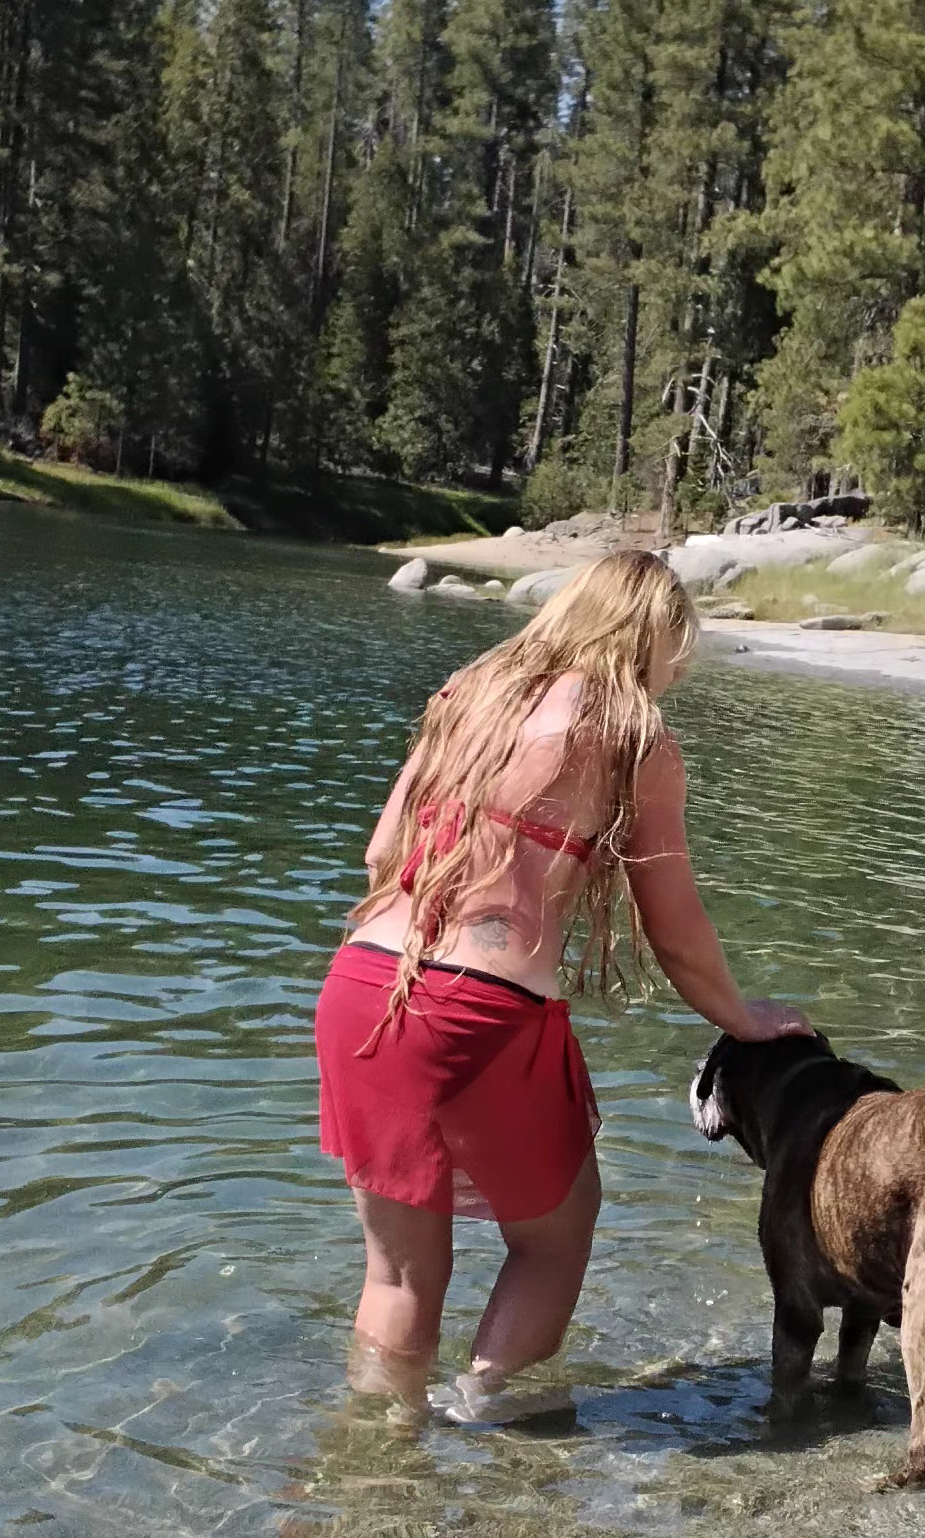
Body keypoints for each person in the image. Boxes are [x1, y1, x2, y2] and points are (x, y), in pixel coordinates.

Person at [315, 549, 807, 1418]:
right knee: (555, 1236)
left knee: (397, 1272)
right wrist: (743, 1017)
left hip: (361, 982)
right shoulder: (631, 734)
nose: (671, 681)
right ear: (650, 640)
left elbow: (380, 853)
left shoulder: (471, 692)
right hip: (476, 1008)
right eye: (672, 659)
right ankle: (493, 1428)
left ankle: (373, 1472)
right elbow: (676, 927)